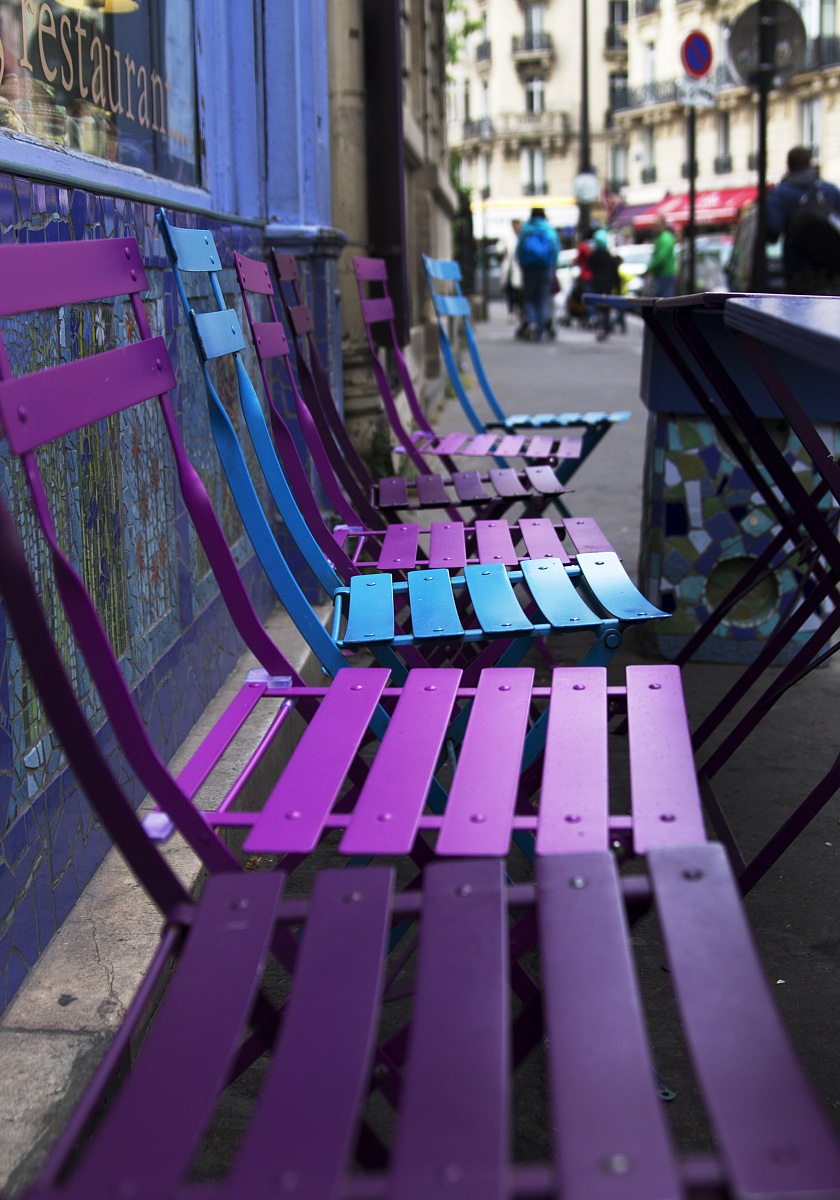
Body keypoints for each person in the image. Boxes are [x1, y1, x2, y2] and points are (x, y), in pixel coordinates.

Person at [766, 145, 840, 293]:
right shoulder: (829, 190)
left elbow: (772, 232)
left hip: (798, 271)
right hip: (830, 271)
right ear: (810, 163)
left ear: (788, 165)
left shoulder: (780, 194)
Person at [515, 206, 560, 341]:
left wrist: (522, 264)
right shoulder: (548, 229)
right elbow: (555, 249)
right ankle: (540, 331)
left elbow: (518, 250)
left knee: (529, 298)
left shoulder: (526, 229)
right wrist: (553, 266)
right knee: (542, 299)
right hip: (545, 268)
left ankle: (532, 322)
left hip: (529, 268)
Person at [587, 228, 622, 341]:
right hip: (608, 285)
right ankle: (605, 328)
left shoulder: (593, 257)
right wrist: (618, 287)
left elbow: (589, 267)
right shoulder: (610, 258)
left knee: (598, 307)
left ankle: (599, 327)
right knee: (606, 307)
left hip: (597, 284)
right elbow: (615, 274)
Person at [644, 214, 678, 297]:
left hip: (665, 274)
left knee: (663, 302)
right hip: (663, 274)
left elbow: (660, 257)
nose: (653, 228)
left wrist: (649, 268)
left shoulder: (665, 238)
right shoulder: (663, 237)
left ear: (663, 226)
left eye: (656, 225)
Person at [503, 218, 524, 323]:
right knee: (510, 292)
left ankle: (519, 311)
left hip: (519, 270)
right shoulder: (508, 237)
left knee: (519, 292)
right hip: (511, 270)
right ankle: (512, 312)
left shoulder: (522, 237)